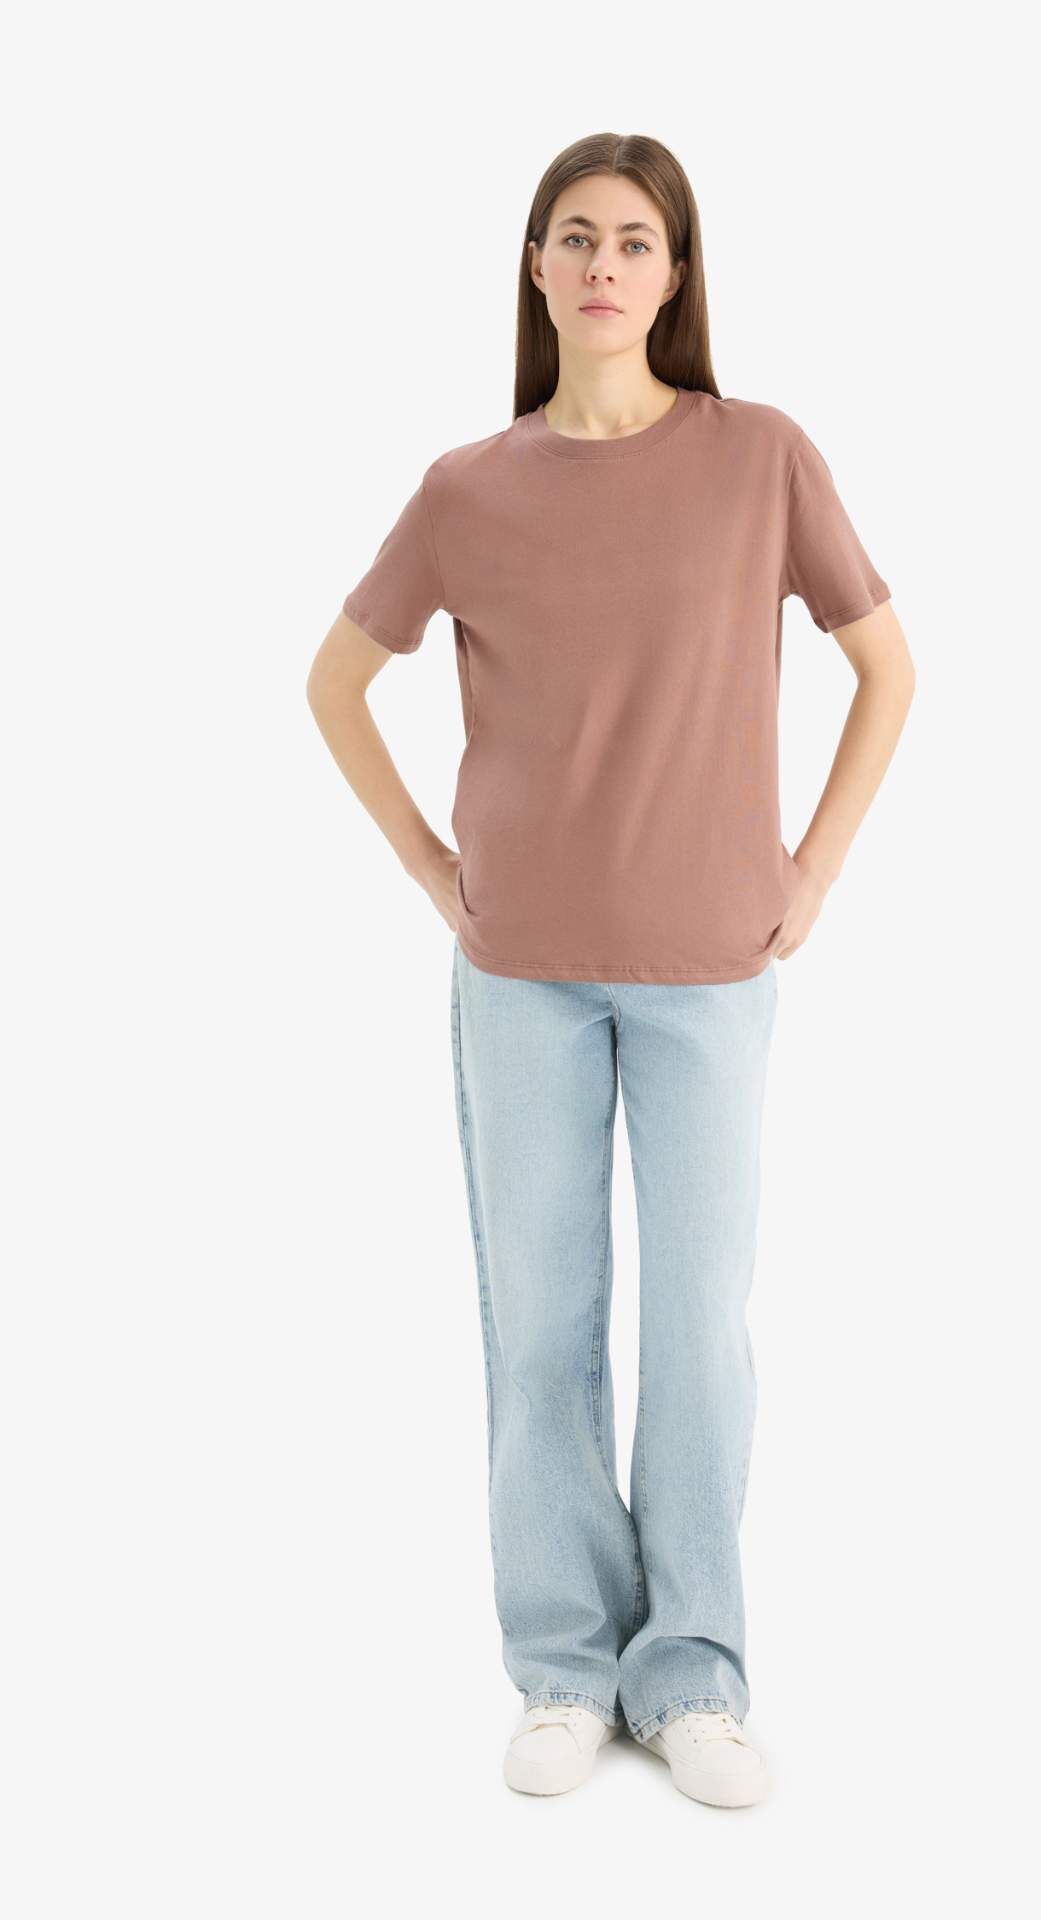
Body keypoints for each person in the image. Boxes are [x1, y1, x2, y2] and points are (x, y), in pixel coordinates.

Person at [306, 132, 915, 1809]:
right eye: (574, 237)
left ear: (675, 275)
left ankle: (695, 1669)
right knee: (542, 1328)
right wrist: (431, 867)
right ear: (536, 267)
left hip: (713, 960)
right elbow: (335, 682)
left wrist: (816, 867)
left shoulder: (760, 455)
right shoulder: (465, 489)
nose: (602, 265)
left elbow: (887, 666)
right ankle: (568, 1667)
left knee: (701, 1328)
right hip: (521, 971)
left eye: (635, 241)